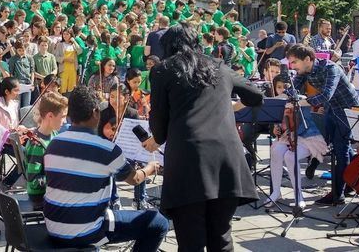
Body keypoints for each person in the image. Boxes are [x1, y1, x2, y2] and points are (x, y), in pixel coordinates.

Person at [146, 23, 263, 251]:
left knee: (191, 241)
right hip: (225, 158)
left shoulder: (162, 70)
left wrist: (157, 139)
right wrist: (229, 105)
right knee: (221, 237)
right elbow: (256, 95)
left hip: (188, 160)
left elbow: (158, 119)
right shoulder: (218, 65)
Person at [43, 85, 168, 251]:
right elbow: (135, 179)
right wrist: (151, 168)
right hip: (86, 232)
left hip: (53, 228)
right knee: (158, 222)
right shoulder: (106, 149)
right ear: (96, 112)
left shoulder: (53, 143)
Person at [287, 44, 359, 205]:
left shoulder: (330, 68)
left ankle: (338, 194)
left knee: (341, 149)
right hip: (330, 109)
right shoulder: (304, 71)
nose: (292, 66)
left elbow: (327, 95)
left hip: (347, 110)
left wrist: (302, 102)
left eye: (294, 62)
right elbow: (293, 90)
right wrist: (287, 94)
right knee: (340, 147)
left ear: (307, 59)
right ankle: (351, 183)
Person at [267, 102, 327, 209]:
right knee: (276, 151)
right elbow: (281, 125)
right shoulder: (283, 103)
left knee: (290, 157)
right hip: (289, 136)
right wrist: (277, 128)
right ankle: (276, 191)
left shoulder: (305, 100)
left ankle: (298, 195)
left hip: (309, 137)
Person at [25, 91, 68, 210]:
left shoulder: (53, 134)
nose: (65, 121)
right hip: (41, 198)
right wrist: (59, 178)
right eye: (63, 116)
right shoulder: (37, 145)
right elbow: (33, 181)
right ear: (50, 116)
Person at [8, 40, 34, 107]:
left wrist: (32, 83)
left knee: (26, 105)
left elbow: (32, 71)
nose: (22, 52)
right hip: (17, 84)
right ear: (16, 50)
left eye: (23, 50)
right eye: (19, 50)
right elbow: (11, 73)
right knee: (17, 105)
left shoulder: (30, 58)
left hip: (27, 83)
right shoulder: (13, 59)